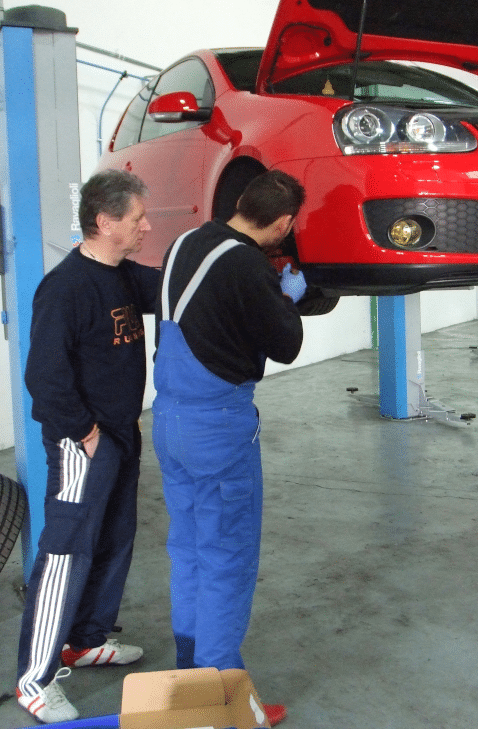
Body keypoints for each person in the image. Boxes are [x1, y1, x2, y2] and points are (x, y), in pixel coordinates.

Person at [152, 169, 306, 726]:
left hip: (169, 419)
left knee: (188, 550)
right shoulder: (247, 265)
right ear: (285, 223)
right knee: (227, 560)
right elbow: (286, 345)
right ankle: (221, 700)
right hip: (219, 426)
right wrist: (286, 296)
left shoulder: (185, 242)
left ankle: (189, 677)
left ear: (241, 203)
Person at [16, 169, 160, 724]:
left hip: (122, 434)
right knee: (64, 555)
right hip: (85, 443)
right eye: (137, 219)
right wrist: (87, 434)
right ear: (104, 222)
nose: (146, 226)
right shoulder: (67, 287)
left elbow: (175, 284)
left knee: (115, 538)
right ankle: (35, 679)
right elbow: (44, 377)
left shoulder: (124, 276)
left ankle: (85, 639)